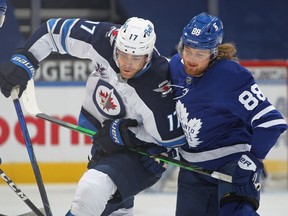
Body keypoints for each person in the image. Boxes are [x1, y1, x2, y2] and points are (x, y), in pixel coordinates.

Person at [0, 17, 186, 215]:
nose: (127, 64)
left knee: (92, 187)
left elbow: (171, 139)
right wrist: (26, 59)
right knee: (112, 205)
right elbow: (53, 31)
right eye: (123, 55)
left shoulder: (158, 86)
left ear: (148, 56)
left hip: (142, 153)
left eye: (136, 58)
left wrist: (128, 135)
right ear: (116, 44)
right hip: (103, 139)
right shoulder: (105, 39)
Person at [169, 12, 287, 216]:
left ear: (214, 53)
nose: (191, 60)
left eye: (200, 54)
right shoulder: (174, 67)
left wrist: (251, 161)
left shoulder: (230, 76)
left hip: (230, 166)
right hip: (191, 170)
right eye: (188, 50)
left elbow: (271, 123)